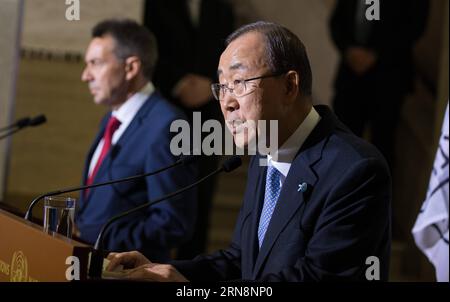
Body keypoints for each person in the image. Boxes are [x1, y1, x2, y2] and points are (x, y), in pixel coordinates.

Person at [106, 21, 391, 281]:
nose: (227, 102)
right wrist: (164, 270)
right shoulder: (263, 155)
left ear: (290, 86)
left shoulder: (356, 170)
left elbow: (316, 278)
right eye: (222, 86)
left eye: (239, 83)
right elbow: (241, 261)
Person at [76, 19, 198, 262]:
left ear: (131, 68)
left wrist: (99, 239)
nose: (85, 76)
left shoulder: (167, 125)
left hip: (125, 271)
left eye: (96, 64)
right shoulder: (112, 119)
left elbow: (172, 222)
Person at [143, 0, 235, 259]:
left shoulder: (222, 7)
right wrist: (179, 83)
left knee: (201, 196)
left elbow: (232, 57)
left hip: (208, 112)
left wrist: (211, 85)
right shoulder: (156, 4)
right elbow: (150, 52)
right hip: (166, 109)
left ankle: (189, 269)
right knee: (160, 190)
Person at [329, 0, 429, 169]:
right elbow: (337, 20)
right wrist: (349, 49)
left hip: (387, 80)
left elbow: (414, 27)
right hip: (351, 78)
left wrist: (376, 54)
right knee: (341, 140)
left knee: (381, 145)